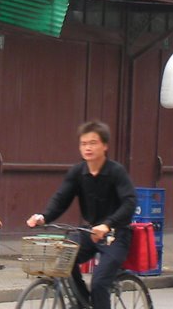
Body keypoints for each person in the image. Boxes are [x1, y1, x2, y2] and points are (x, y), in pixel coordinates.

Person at [26, 120, 136, 309]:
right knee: (63, 260)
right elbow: (61, 199)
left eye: (93, 143)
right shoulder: (77, 172)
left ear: (105, 146)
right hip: (89, 232)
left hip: (116, 236)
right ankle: (83, 303)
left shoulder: (116, 172)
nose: (88, 148)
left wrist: (108, 224)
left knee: (100, 282)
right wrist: (43, 217)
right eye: (84, 144)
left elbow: (130, 203)